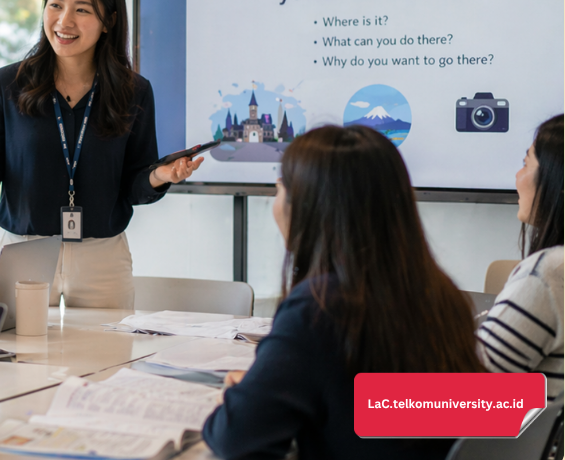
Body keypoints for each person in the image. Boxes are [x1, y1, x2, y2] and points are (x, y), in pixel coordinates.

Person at [0, 0, 200, 309]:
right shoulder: (8, 84)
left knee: (108, 358)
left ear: (109, 21)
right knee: (18, 358)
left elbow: (133, 185)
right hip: (23, 250)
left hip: (102, 257)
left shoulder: (134, 91)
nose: (64, 22)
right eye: (55, 5)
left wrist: (161, 175)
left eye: (82, 10)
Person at [203, 125, 484, 459]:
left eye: (280, 187)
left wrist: (238, 400)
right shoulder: (442, 294)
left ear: (308, 206)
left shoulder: (319, 307)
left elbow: (236, 439)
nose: (275, 201)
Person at [478, 114, 563, 401]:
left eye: (526, 163)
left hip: (522, 441)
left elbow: (470, 396)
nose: (517, 176)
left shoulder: (549, 274)